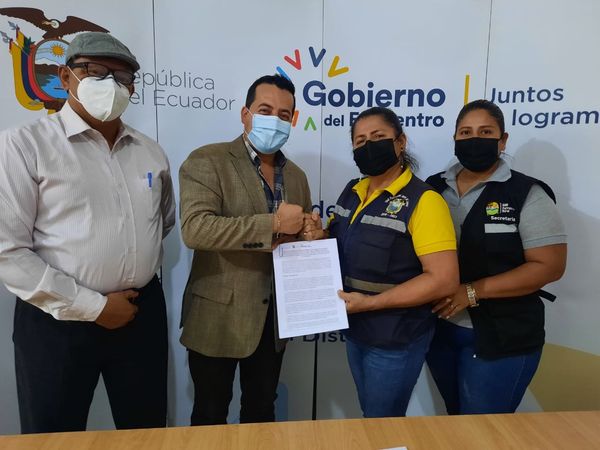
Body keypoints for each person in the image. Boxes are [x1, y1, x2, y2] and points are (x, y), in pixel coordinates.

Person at [0, 32, 175, 433]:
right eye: (95, 72)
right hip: (56, 320)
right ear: (66, 77)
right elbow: (9, 251)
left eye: (122, 77)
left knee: (146, 432)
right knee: (53, 436)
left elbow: (161, 222)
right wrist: (94, 306)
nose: (111, 85)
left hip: (139, 313)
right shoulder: (24, 145)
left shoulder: (150, 152)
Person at [303, 106, 458, 418]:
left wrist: (371, 304)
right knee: (370, 415)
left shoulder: (425, 200)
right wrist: (319, 237)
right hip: (355, 330)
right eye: (360, 141)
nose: (368, 146)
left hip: (395, 338)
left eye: (378, 137)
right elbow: (343, 244)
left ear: (400, 142)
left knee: (381, 422)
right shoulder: (353, 190)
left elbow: (443, 279)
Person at [179, 74, 312, 425]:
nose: (275, 120)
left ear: (293, 120)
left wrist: (310, 235)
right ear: (245, 114)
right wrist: (274, 224)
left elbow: (295, 240)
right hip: (217, 314)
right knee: (210, 415)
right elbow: (196, 229)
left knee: (261, 412)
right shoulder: (208, 160)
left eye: (284, 114)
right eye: (265, 110)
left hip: (274, 320)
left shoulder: (297, 176)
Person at [425, 99, 567, 414]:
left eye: (485, 132)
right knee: (454, 421)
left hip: (504, 337)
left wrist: (472, 291)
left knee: (484, 431)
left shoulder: (526, 193)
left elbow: (550, 266)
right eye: (465, 132)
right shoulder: (432, 188)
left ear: (502, 140)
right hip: (441, 332)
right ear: (455, 139)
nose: (474, 139)